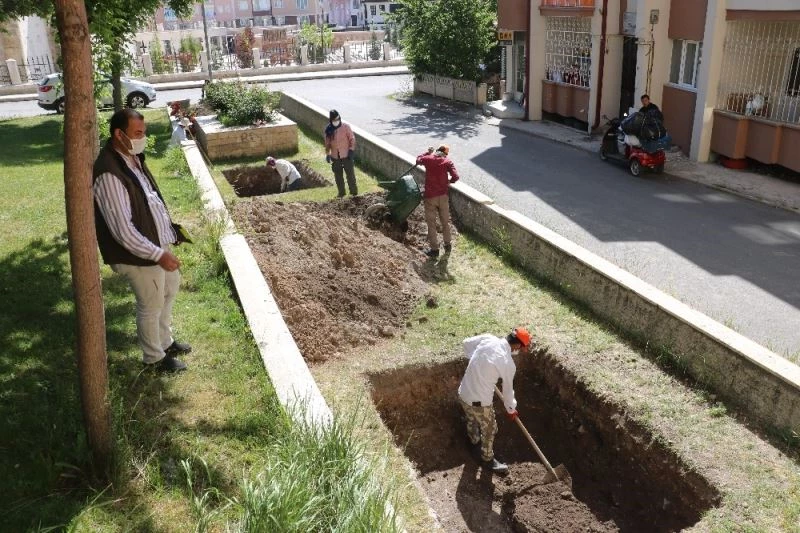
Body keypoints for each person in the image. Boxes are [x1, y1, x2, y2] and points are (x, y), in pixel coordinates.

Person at [93, 108, 191, 373]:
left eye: (143, 133)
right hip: (137, 254)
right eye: (138, 133)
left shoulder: (131, 158)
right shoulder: (109, 173)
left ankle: (165, 341)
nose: (142, 138)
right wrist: (158, 254)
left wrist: (167, 240)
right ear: (119, 134)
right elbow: (122, 230)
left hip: (156, 244)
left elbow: (148, 200)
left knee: (169, 290)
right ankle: (154, 358)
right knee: (150, 303)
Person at [458, 327, 532, 475]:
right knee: (490, 429)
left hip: (463, 393)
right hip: (480, 402)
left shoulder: (488, 338)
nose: (519, 351)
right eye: (521, 348)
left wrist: (479, 363)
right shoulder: (507, 363)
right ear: (517, 345)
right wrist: (511, 409)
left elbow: (466, 343)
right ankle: (487, 459)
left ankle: (473, 441)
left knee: (471, 418)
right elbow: (508, 391)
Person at [416, 144, 460, 258]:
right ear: (445, 154)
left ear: (436, 151)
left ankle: (435, 250)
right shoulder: (447, 161)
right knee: (445, 221)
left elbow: (418, 160)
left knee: (431, 224)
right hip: (443, 197)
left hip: (430, 197)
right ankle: (447, 244)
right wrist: (449, 181)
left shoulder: (428, 159)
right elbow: (456, 176)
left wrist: (427, 152)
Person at [324, 109, 357, 197]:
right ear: (331, 120)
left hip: (347, 156)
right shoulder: (329, 130)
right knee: (338, 177)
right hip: (335, 157)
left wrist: (351, 150)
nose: (336, 121)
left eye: (338, 119)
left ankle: (354, 193)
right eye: (334, 120)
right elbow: (327, 143)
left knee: (350, 176)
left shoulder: (346, 127)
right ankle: (341, 193)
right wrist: (328, 154)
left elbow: (352, 139)